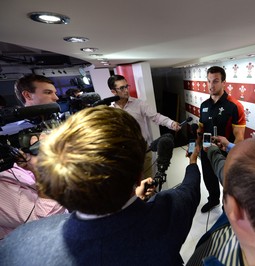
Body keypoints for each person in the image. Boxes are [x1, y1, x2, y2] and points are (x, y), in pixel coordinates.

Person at [0, 106, 201, 265]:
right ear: (139, 175)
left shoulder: (19, 244)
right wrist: (192, 161)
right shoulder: (167, 213)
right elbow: (189, 188)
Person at [0, 74, 66, 239]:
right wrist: (40, 170)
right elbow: (40, 219)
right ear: (28, 95)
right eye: (48, 92)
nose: (55, 97)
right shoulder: (10, 138)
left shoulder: (58, 124)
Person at [107, 75, 181, 179]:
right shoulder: (110, 111)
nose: (126, 90)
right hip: (125, 153)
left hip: (143, 150)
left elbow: (156, 117)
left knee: (148, 182)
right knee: (131, 183)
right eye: (122, 88)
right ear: (113, 91)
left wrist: (171, 123)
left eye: (126, 86)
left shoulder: (139, 103)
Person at [197, 66, 246, 213]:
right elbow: (200, 131)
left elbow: (240, 137)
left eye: (216, 81)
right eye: (209, 81)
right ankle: (213, 200)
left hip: (226, 154)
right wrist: (195, 148)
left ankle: (227, 207)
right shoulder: (204, 105)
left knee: (227, 183)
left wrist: (233, 154)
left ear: (224, 82)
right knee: (208, 178)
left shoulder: (235, 106)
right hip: (207, 151)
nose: (211, 85)